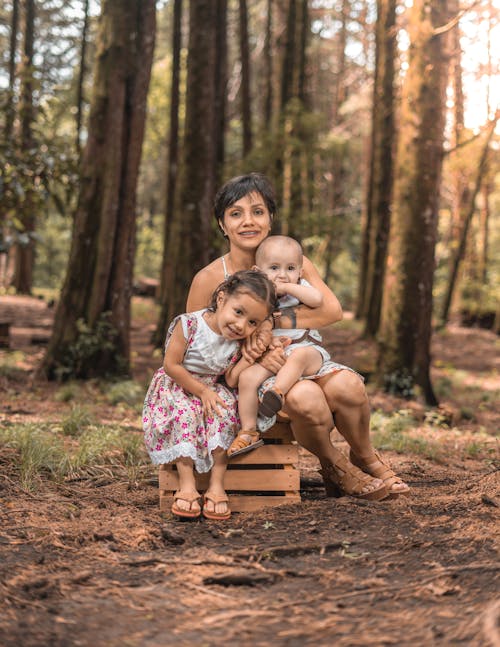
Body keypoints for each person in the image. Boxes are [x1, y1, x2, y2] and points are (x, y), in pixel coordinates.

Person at [187, 173, 410, 500]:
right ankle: (335, 465)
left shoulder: (291, 260)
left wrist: (271, 320)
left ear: (270, 217)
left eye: (258, 211)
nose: (248, 221)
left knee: (350, 386)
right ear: (222, 224)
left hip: (300, 357)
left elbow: (331, 311)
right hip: (248, 378)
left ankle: (363, 456)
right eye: (236, 214)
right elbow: (195, 347)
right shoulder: (209, 278)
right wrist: (255, 354)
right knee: (306, 397)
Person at [143, 270, 277, 520]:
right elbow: (172, 366)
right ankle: (186, 483)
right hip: (179, 385)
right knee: (186, 413)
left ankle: (217, 484)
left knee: (224, 414)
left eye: (252, 323)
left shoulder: (238, 341)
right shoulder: (189, 324)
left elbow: (230, 379)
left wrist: (249, 359)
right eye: (239, 312)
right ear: (222, 299)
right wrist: (201, 391)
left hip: (213, 388)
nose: (241, 325)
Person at [228, 235, 354, 458]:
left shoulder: (300, 286)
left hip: (306, 349)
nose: (282, 274)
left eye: (290, 268)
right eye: (274, 268)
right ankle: (248, 431)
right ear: (258, 271)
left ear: (300, 271)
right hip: (275, 355)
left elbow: (316, 299)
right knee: (247, 379)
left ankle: (277, 392)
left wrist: (289, 287)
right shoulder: (257, 292)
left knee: (299, 357)